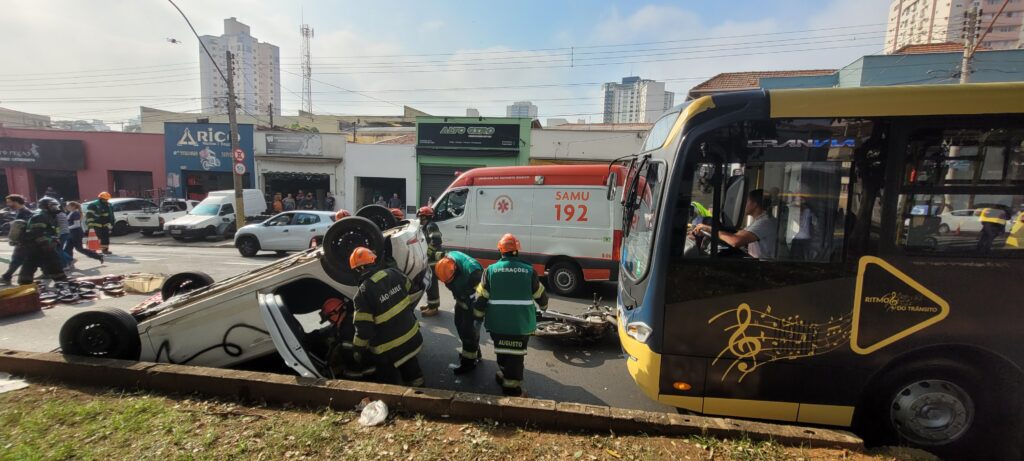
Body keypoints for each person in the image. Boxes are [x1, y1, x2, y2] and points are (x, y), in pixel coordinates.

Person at [471, 234, 548, 396]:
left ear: (501, 250)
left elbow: (480, 297)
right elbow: (540, 294)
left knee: (502, 349)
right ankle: (512, 389)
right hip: (521, 324)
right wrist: (544, 306)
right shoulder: (529, 270)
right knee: (515, 355)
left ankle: (506, 377)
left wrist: (478, 315)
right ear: (517, 251)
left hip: (497, 323)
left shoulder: (490, 270)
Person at [350, 247, 425, 387]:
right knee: (414, 374)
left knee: (389, 385)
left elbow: (364, 330)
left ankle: (395, 405)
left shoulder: (363, 294)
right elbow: (411, 288)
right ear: (373, 260)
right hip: (411, 338)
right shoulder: (393, 273)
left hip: (389, 352)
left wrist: (357, 350)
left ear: (357, 270)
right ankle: (421, 396)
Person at [691, 189, 777, 260]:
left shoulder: (765, 222)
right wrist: (708, 231)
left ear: (754, 204)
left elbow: (735, 241)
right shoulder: (759, 220)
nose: (744, 205)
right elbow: (736, 235)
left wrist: (711, 230)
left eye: (747, 202)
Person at [435, 251, 483, 374]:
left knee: (468, 330)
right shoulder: (446, 262)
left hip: (472, 301)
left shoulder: (473, 271)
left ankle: (469, 363)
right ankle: (473, 351)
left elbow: (482, 289)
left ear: (455, 270)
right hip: (462, 300)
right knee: (458, 323)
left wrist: (470, 300)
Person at [304, 297, 370, 379]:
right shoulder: (346, 319)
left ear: (337, 312)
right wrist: (311, 336)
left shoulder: (347, 331)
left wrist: (338, 373)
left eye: (329, 318)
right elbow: (329, 330)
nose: (329, 321)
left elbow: (352, 364)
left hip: (364, 373)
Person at [18, 197, 67, 285]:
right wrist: (47, 244)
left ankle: (61, 282)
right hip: (38, 246)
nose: (56, 208)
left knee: (49, 263)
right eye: (53, 206)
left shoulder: (48, 215)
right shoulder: (40, 215)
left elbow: (50, 231)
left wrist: (54, 240)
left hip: (40, 246)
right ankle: (25, 284)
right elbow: (37, 233)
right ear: (46, 206)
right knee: (34, 264)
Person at [2, 194, 35, 284]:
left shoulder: (24, 212)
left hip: (24, 241)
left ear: (16, 202)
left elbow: (22, 228)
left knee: (17, 259)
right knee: (26, 260)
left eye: (9, 202)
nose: (8, 204)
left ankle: (7, 276)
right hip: (26, 241)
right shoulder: (22, 211)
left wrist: (14, 238)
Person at [417, 206, 442, 316]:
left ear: (424, 216)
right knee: (429, 283)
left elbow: (436, 240)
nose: (419, 218)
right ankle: (431, 304)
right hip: (429, 259)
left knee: (431, 283)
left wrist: (428, 253)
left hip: (432, 260)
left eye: (420, 216)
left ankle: (434, 308)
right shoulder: (426, 226)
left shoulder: (431, 226)